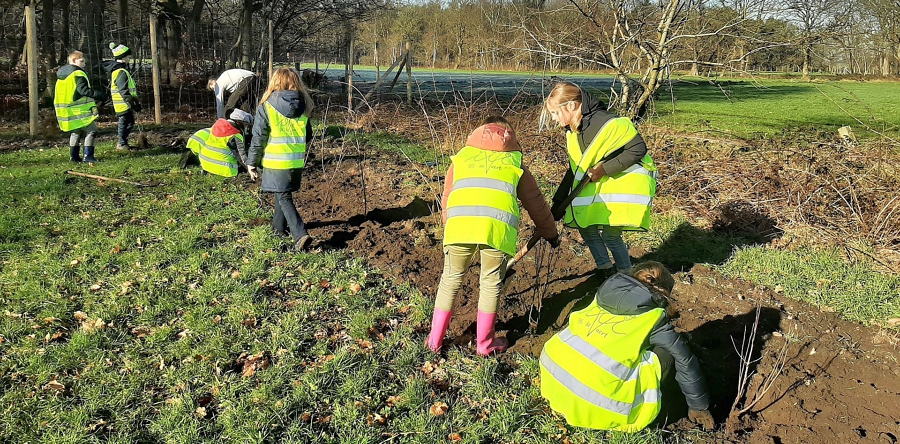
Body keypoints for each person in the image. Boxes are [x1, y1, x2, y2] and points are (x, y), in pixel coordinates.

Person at [426, 116, 560, 356]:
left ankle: (434, 341)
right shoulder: (514, 163)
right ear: (509, 136)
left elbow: (447, 197)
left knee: (450, 280)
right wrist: (550, 234)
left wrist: (450, 226)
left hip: (459, 226)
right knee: (490, 284)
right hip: (496, 230)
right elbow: (536, 204)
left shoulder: (462, 159)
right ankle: (485, 345)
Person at [539, 261, 714, 432]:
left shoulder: (603, 295)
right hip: (599, 404)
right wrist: (699, 407)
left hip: (554, 372)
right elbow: (685, 359)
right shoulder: (652, 318)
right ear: (665, 292)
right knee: (668, 353)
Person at [543, 82, 656, 281]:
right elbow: (576, 169)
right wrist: (558, 203)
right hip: (600, 190)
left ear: (571, 106)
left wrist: (604, 169)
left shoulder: (609, 123)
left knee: (611, 236)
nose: (553, 118)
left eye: (554, 112)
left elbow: (638, 149)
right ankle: (605, 271)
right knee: (587, 229)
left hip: (622, 187)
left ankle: (626, 277)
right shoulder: (573, 132)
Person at [247, 68, 314, 251]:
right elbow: (308, 135)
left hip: (276, 161)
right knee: (281, 192)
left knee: (283, 196)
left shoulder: (267, 106)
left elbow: (258, 137)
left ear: (274, 83)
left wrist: (251, 162)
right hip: (296, 161)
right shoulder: (304, 106)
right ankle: (278, 229)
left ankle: (300, 234)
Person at [54, 50, 108, 163]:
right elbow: (82, 90)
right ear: (74, 60)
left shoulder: (61, 76)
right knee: (92, 130)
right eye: (82, 61)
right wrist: (101, 95)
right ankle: (88, 156)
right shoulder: (78, 74)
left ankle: (74, 157)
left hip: (68, 111)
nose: (84, 64)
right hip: (81, 110)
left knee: (75, 132)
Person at [183, 109, 253, 177]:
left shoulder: (215, 128)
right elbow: (242, 158)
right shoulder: (235, 136)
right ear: (238, 122)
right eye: (245, 124)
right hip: (224, 170)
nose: (246, 128)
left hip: (206, 165)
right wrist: (252, 170)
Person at [103, 42, 141, 151]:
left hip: (124, 102)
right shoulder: (121, 72)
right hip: (123, 103)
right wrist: (131, 102)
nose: (130, 58)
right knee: (124, 122)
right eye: (128, 56)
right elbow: (123, 89)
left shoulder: (119, 70)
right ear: (123, 57)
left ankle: (123, 142)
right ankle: (121, 143)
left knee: (128, 122)